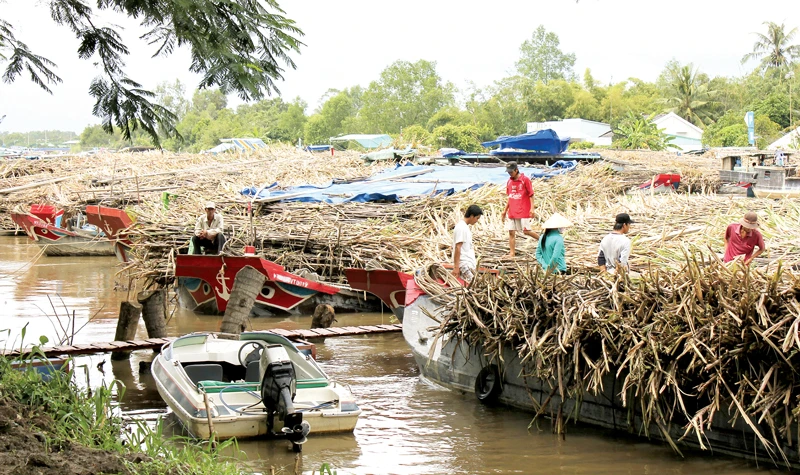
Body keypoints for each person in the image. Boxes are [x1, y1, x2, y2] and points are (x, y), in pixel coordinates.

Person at [502, 161, 538, 257]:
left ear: (516, 170)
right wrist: (505, 211)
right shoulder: (509, 181)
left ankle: (543, 240)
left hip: (523, 209)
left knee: (526, 231)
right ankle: (512, 253)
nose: (510, 174)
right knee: (511, 232)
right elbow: (510, 197)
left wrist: (532, 208)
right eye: (508, 172)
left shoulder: (525, 180)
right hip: (513, 210)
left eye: (511, 172)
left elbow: (531, 194)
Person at [452, 204, 483, 283]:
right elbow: (458, 247)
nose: (477, 221)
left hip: (468, 264)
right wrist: (456, 267)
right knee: (474, 284)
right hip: (464, 264)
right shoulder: (461, 228)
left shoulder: (464, 227)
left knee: (472, 284)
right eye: (477, 218)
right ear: (472, 216)